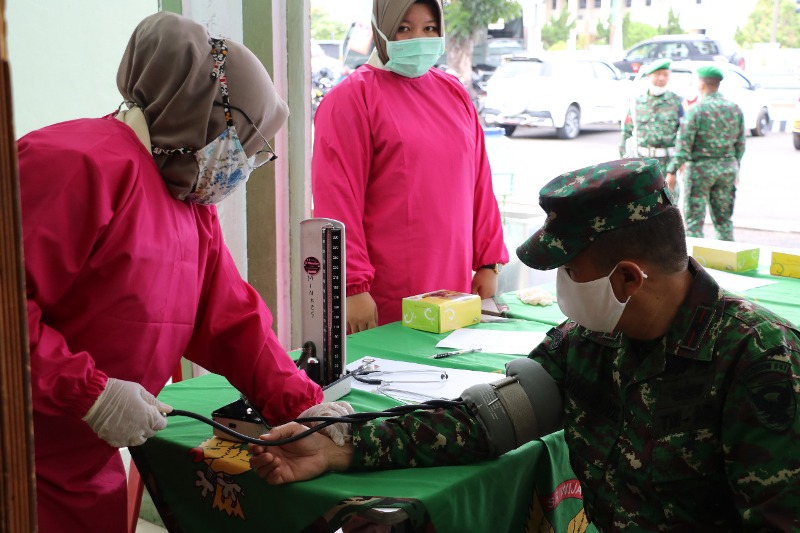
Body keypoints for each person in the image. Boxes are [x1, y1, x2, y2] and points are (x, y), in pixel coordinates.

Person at [249, 159, 800, 531]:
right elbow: (482, 421)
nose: (561, 286)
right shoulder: (586, 342)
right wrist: (339, 443)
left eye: (569, 269)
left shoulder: (759, 363)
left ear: (628, 280)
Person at [18, 12, 324, 533]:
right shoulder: (73, 163)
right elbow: (7, 309)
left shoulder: (189, 205)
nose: (241, 166)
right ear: (199, 112)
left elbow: (231, 321)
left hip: (84, 463)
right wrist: (88, 391)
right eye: (241, 144)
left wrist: (304, 406)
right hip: (20, 452)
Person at [311, 0, 509, 332]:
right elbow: (337, 200)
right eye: (404, 28)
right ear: (381, 29)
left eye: (429, 28)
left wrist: (488, 262)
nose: (419, 38)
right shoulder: (351, 99)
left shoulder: (454, 94)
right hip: (385, 295)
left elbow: (478, 182)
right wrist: (351, 286)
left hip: (454, 290)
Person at [665, 65, 745, 241]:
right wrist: (735, 166)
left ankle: (697, 266)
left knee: (694, 223)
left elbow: (684, 147)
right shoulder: (734, 109)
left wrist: (671, 171)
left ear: (701, 84)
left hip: (700, 171)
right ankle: (728, 263)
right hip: (727, 170)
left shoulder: (696, 110)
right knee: (724, 222)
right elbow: (740, 144)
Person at [619, 58, 684, 198]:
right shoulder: (636, 102)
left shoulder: (676, 102)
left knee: (669, 206)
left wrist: (674, 169)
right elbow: (626, 133)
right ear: (649, 76)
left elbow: (684, 136)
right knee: (641, 205)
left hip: (667, 164)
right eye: (658, 74)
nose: (661, 78)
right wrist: (622, 166)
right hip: (641, 163)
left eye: (665, 75)